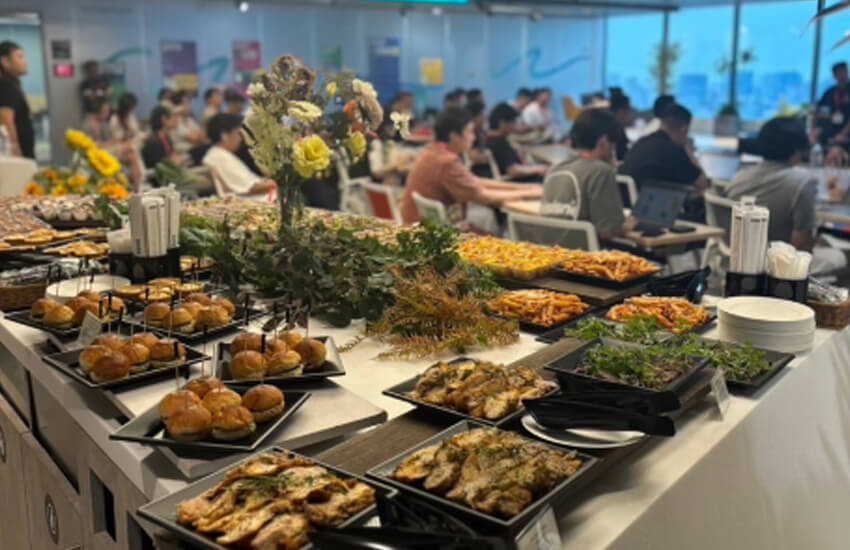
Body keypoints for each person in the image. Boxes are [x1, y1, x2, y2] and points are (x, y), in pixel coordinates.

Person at [399, 107, 543, 225]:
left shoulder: (432, 151)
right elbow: (483, 196)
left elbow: (474, 181)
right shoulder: (446, 162)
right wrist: (530, 193)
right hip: (432, 235)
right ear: (454, 135)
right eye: (469, 132)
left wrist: (525, 188)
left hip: (421, 227)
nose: (473, 138)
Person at [541, 109, 634, 240]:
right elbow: (608, 232)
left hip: (553, 250)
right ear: (604, 142)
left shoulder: (555, 169)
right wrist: (630, 224)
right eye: (613, 145)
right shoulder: (600, 171)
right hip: (583, 251)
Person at [727, 117, 816, 251]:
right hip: (778, 261)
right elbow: (800, 245)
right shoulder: (802, 183)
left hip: (736, 256)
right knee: (838, 256)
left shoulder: (739, 177)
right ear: (797, 151)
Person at [619, 103, 708, 192]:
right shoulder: (672, 150)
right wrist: (689, 152)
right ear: (684, 130)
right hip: (649, 199)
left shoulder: (642, 142)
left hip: (624, 198)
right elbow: (702, 184)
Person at [203, 113, 276, 196]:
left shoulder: (222, 154)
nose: (240, 139)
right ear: (224, 136)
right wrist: (279, 182)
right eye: (238, 134)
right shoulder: (219, 157)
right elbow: (250, 188)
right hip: (256, 199)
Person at [485, 103, 548, 182]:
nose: (515, 125)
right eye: (513, 121)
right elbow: (513, 171)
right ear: (502, 123)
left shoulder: (490, 138)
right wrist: (537, 169)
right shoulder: (499, 143)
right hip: (518, 181)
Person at [0, 41, 34, 159]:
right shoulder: (5, 85)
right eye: (20, 57)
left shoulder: (12, 84)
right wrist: (14, 148)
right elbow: (5, 119)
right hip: (18, 155)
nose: (25, 61)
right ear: (5, 61)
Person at [368, 113, 415, 187]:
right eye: (390, 125)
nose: (394, 128)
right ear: (383, 126)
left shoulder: (391, 143)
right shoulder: (376, 144)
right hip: (380, 186)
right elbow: (376, 172)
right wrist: (396, 165)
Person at [816, 62, 850, 145]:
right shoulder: (829, 93)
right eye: (840, 72)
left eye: (845, 71)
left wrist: (843, 134)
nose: (843, 75)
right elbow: (818, 111)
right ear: (834, 76)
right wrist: (815, 130)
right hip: (832, 131)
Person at [170, 90, 206, 155]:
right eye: (186, 104)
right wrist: (197, 135)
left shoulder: (189, 119)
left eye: (189, 103)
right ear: (178, 107)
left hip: (194, 151)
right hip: (184, 155)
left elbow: (203, 135)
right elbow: (194, 138)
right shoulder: (176, 121)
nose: (189, 107)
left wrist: (198, 135)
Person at [609, 90, 634, 161]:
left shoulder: (614, 127)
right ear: (622, 112)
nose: (632, 114)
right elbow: (622, 156)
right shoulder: (616, 132)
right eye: (630, 110)